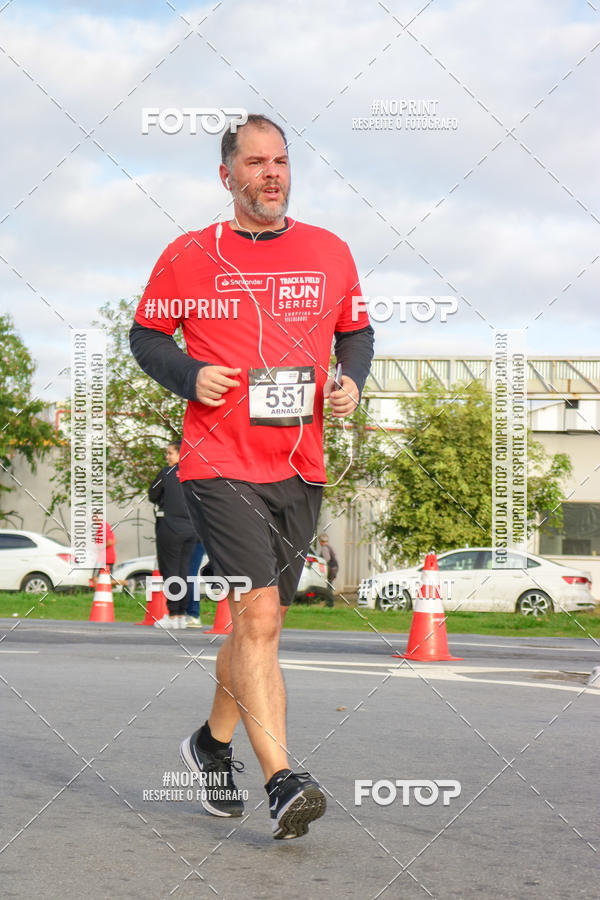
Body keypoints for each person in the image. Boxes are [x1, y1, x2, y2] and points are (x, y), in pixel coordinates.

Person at [130, 113, 374, 839]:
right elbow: (146, 335)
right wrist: (190, 374)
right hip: (218, 461)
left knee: (253, 624)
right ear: (227, 174)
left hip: (299, 463)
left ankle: (210, 745)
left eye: (281, 161)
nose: (271, 174)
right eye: (256, 162)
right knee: (258, 617)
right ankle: (282, 781)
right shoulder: (188, 255)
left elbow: (356, 331)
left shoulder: (329, 251)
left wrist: (350, 381)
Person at [148, 441, 197, 629]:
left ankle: (173, 614)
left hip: (170, 527)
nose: (167, 457)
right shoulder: (194, 475)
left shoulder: (166, 473)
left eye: (170, 453)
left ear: (180, 454)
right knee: (184, 571)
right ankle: (181, 615)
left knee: (170, 572)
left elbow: (152, 495)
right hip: (191, 529)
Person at [91, 515, 116, 588]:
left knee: (95, 577)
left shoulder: (103, 527)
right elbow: (114, 540)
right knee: (106, 579)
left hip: (104, 558)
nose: (93, 519)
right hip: (109, 557)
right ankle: (127, 582)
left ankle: (125, 583)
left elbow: (110, 542)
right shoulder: (105, 526)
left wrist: (99, 548)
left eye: (95, 517)